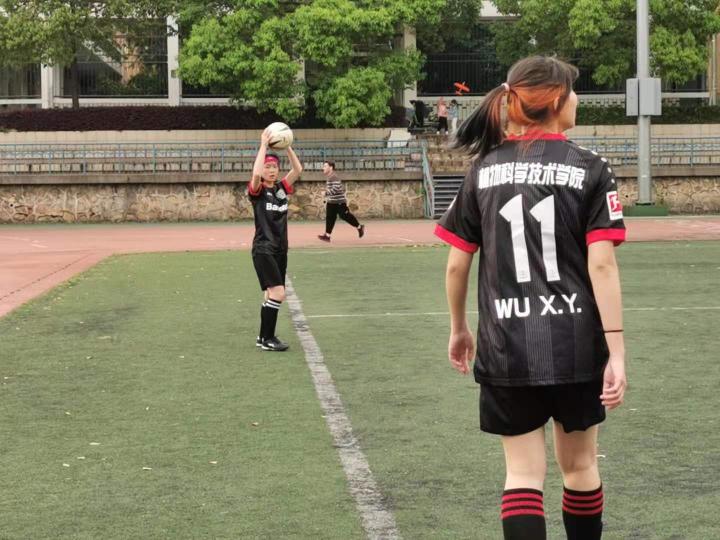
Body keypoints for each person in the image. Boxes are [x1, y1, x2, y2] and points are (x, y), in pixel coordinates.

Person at [434, 56, 627, 540]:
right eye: (574, 91)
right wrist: (617, 351)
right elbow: (602, 265)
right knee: (580, 467)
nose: (577, 99)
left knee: (522, 476)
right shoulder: (591, 167)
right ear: (557, 99)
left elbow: (457, 265)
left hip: (506, 345)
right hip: (575, 346)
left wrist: (459, 328)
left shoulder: (483, 169)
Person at [248, 127, 303, 351]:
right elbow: (255, 175)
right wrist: (263, 145)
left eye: (274, 167)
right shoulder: (258, 191)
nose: (271, 170)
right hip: (264, 248)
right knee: (278, 293)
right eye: (267, 167)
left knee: (271, 294)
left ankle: (263, 337)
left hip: (280, 249)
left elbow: (298, 169)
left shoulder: (281, 189)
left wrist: (287, 145)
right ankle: (269, 339)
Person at [317, 161, 365, 242]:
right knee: (330, 218)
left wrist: (326, 193)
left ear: (331, 167)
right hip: (331, 202)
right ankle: (327, 236)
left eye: (325, 166)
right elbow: (333, 189)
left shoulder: (334, 177)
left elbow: (336, 189)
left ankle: (360, 227)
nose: (323, 168)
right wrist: (327, 196)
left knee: (345, 216)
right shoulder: (330, 177)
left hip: (339, 202)